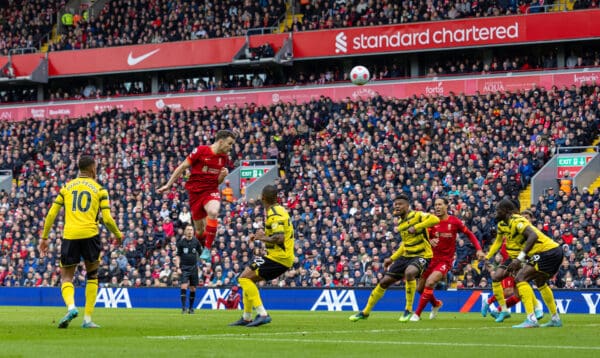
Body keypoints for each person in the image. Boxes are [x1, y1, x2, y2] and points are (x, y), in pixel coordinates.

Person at [38, 155, 123, 328]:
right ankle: (87, 319)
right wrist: (118, 234)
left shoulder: (66, 187)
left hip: (70, 236)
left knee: (66, 277)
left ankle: (71, 307)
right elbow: (106, 218)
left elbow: (51, 214)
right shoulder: (100, 189)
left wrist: (44, 238)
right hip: (91, 235)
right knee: (92, 276)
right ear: (93, 169)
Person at [349, 194, 439, 322]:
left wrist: (417, 227)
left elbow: (435, 219)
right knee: (384, 281)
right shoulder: (400, 223)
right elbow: (405, 245)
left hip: (422, 255)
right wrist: (391, 259)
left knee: (410, 272)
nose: (397, 206)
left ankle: (408, 309)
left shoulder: (418, 215)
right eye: (395, 204)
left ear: (407, 206)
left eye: (400, 204)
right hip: (406, 256)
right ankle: (365, 312)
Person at [157, 130, 236, 261]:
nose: (231, 147)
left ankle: (208, 249)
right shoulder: (201, 151)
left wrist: (222, 177)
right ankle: (200, 246)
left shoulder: (224, 158)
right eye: (229, 144)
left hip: (211, 190)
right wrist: (168, 185)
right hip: (195, 194)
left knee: (213, 211)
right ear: (221, 142)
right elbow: (182, 167)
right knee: (199, 231)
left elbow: (217, 182)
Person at [229, 185, 295, 327]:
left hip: (279, 258)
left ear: (263, 197)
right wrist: (263, 236)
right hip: (277, 256)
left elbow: (280, 238)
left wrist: (262, 238)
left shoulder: (274, 214)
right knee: (247, 278)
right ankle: (246, 317)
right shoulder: (280, 209)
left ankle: (262, 314)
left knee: (243, 278)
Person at [412, 198, 485, 321]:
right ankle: (436, 304)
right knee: (419, 289)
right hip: (430, 259)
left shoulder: (454, 221)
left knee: (430, 283)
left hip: (445, 260)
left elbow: (470, 234)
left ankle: (417, 314)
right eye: (436, 205)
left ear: (446, 206)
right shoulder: (430, 221)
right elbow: (421, 238)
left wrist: (478, 249)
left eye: (440, 204)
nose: (437, 207)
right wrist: (429, 241)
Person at [502, 200, 564, 328]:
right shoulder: (518, 231)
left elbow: (533, 239)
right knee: (540, 283)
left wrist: (519, 260)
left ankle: (531, 319)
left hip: (547, 252)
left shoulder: (519, 225)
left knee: (521, 278)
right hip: (555, 251)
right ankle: (555, 318)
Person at [176, 224, 202, 314]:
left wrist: (203, 264)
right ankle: (183, 308)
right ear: (185, 231)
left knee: (193, 289)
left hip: (194, 268)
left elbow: (201, 254)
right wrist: (177, 267)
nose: (190, 231)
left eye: (191, 229)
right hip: (184, 268)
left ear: (193, 231)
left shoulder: (196, 242)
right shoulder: (181, 243)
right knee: (183, 286)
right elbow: (178, 256)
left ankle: (191, 308)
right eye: (188, 229)